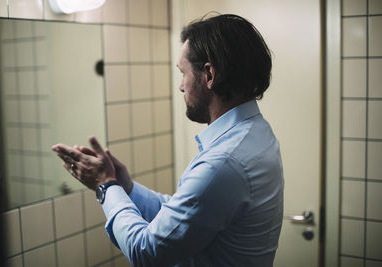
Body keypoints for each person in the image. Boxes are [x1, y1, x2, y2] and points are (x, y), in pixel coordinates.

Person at [52, 13, 284, 267]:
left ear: (209, 74)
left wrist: (106, 186)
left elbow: (146, 252)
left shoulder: (224, 162)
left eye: (183, 73)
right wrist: (125, 187)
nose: (181, 86)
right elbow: (183, 216)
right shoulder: (257, 133)